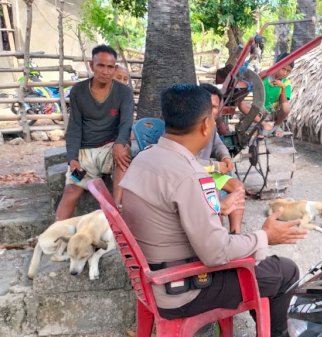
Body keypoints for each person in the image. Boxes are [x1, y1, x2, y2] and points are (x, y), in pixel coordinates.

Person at [119, 84, 307, 336]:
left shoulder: (145, 157)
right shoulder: (189, 175)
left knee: (260, 262)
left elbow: (170, 216)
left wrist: (218, 209)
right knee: (285, 270)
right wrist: (264, 237)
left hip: (156, 277)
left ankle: (265, 320)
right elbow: (216, 253)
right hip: (185, 289)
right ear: (207, 125)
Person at [56, 44, 133, 220]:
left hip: (110, 147)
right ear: (92, 65)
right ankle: (54, 235)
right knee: (71, 189)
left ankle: (115, 213)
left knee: (123, 157)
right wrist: (72, 159)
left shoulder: (124, 92)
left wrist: (120, 143)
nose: (106, 71)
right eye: (101, 65)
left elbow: (126, 122)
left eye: (110, 67)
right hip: (85, 153)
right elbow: (74, 126)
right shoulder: (78, 91)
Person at [198, 83, 247, 234]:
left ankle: (235, 233)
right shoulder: (187, 126)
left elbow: (218, 145)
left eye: (215, 107)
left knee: (238, 187)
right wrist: (216, 166)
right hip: (194, 174)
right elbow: (185, 160)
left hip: (210, 172)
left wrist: (225, 157)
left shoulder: (211, 124)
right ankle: (218, 237)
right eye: (209, 106)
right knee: (215, 194)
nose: (212, 111)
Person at [238, 52, 294, 137]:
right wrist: (260, 76)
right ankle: (264, 124)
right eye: (283, 69)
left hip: (272, 113)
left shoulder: (286, 83)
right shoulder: (265, 76)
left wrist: (282, 87)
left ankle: (276, 126)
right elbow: (251, 84)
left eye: (288, 71)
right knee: (240, 104)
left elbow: (284, 105)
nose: (285, 73)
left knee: (286, 109)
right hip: (258, 110)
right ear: (277, 65)